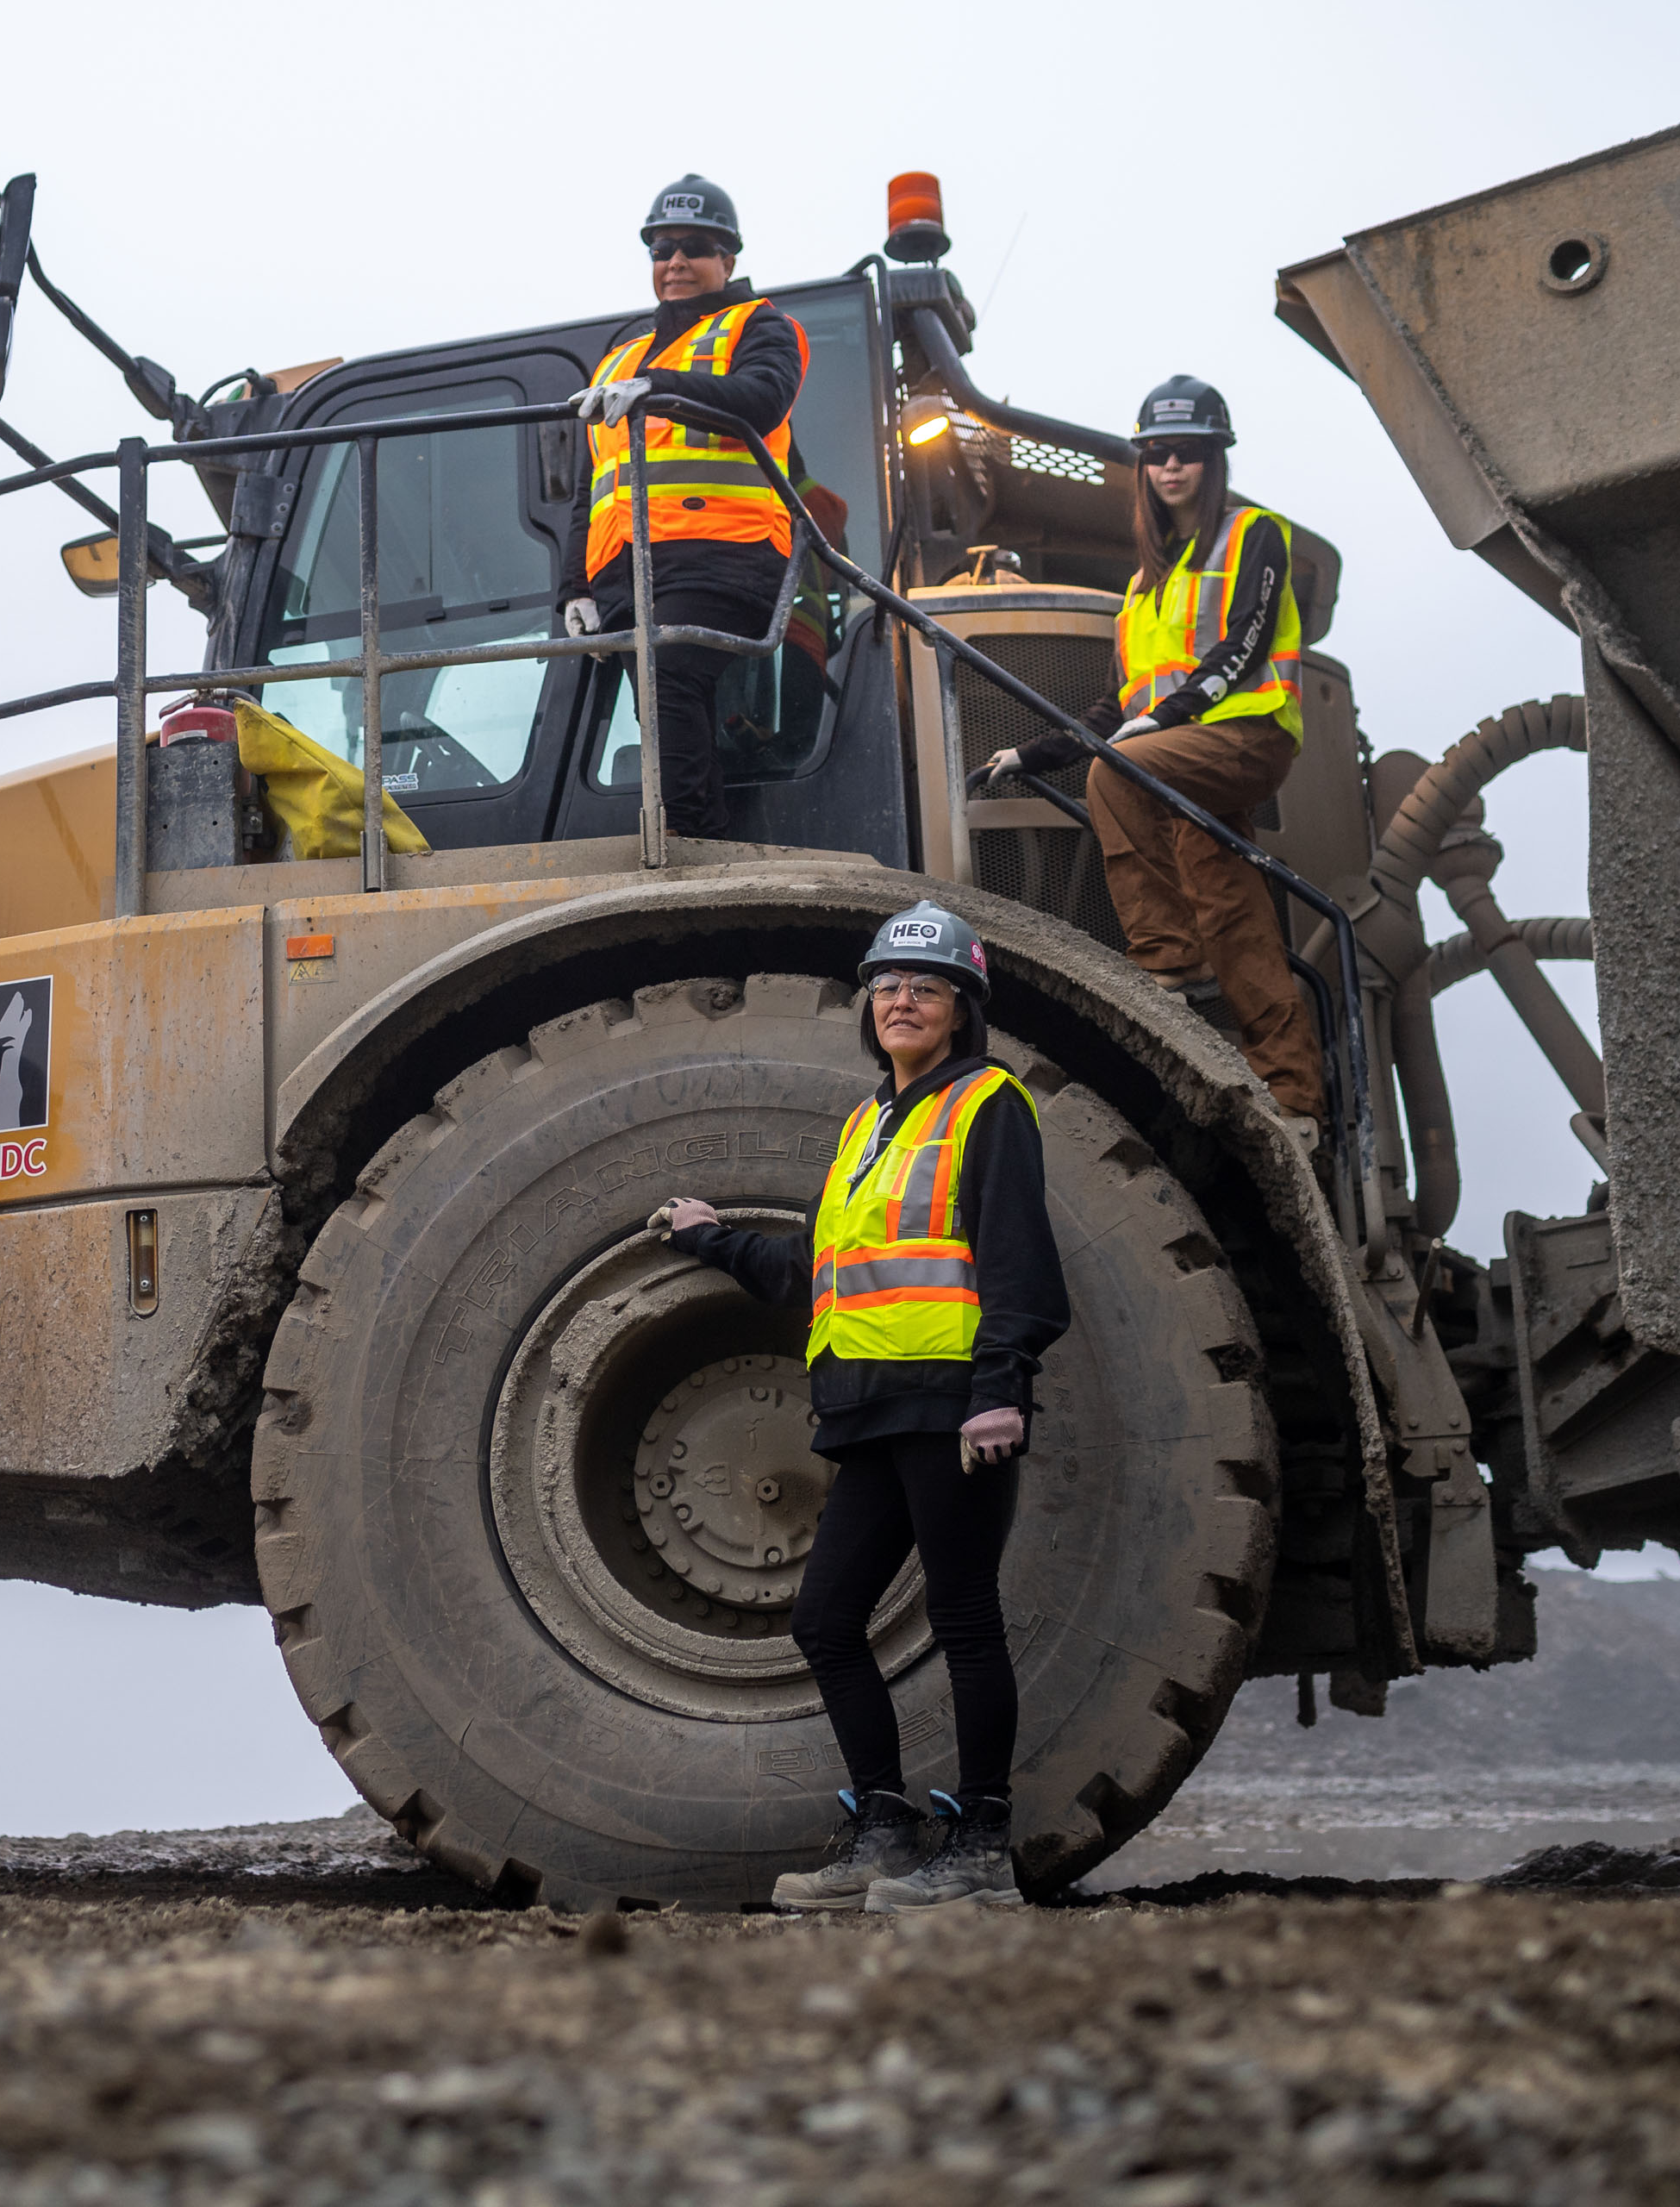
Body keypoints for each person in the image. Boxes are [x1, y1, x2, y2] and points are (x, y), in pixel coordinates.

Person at [652, 902, 1069, 1912]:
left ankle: (980, 1845)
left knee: (965, 1619)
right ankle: (883, 1828)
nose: (902, 1002)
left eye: (926, 988)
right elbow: (823, 1264)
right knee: (827, 1619)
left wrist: (1001, 1387)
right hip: (866, 1410)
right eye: (886, 987)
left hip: (951, 1408)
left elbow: (1020, 1258)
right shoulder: (867, 1122)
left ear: (962, 1008)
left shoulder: (987, 1105)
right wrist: (715, 1238)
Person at [981, 375, 1324, 1137]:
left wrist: (1167, 719)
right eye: (1158, 454)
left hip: (1249, 736)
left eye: (1188, 454)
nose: (1171, 467)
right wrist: (1032, 753)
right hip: (1183, 762)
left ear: (1215, 461)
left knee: (1120, 769)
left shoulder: (1255, 534)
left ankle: (1167, 957)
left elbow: (1246, 645)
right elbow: (1118, 707)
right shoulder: (1142, 586)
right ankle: (1296, 1096)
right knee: (1238, 918)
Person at [564, 173, 810, 841]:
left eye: (694, 246)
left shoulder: (761, 327)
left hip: (723, 560)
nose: (675, 262)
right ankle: (691, 833)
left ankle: (688, 845)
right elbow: (592, 485)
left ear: (727, 259)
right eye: (661, 249)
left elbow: (761, 399)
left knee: (668, 671)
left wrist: (660, 388)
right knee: (661, 698)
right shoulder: (617, 360)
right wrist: (574, 588)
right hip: (627, 575)